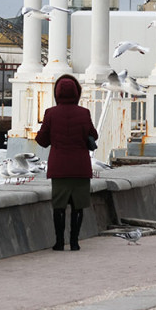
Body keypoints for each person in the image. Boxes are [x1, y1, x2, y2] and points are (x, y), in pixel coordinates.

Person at [34, 74, 98, 251]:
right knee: (78, 206)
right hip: (80, 167)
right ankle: (75, 242)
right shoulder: (84, 113)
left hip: (59, 167)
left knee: (59, 207)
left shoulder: (50, 113)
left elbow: (42, 141)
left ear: (57, 93)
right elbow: (95, 134)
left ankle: (60, 242)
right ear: (77, 92)